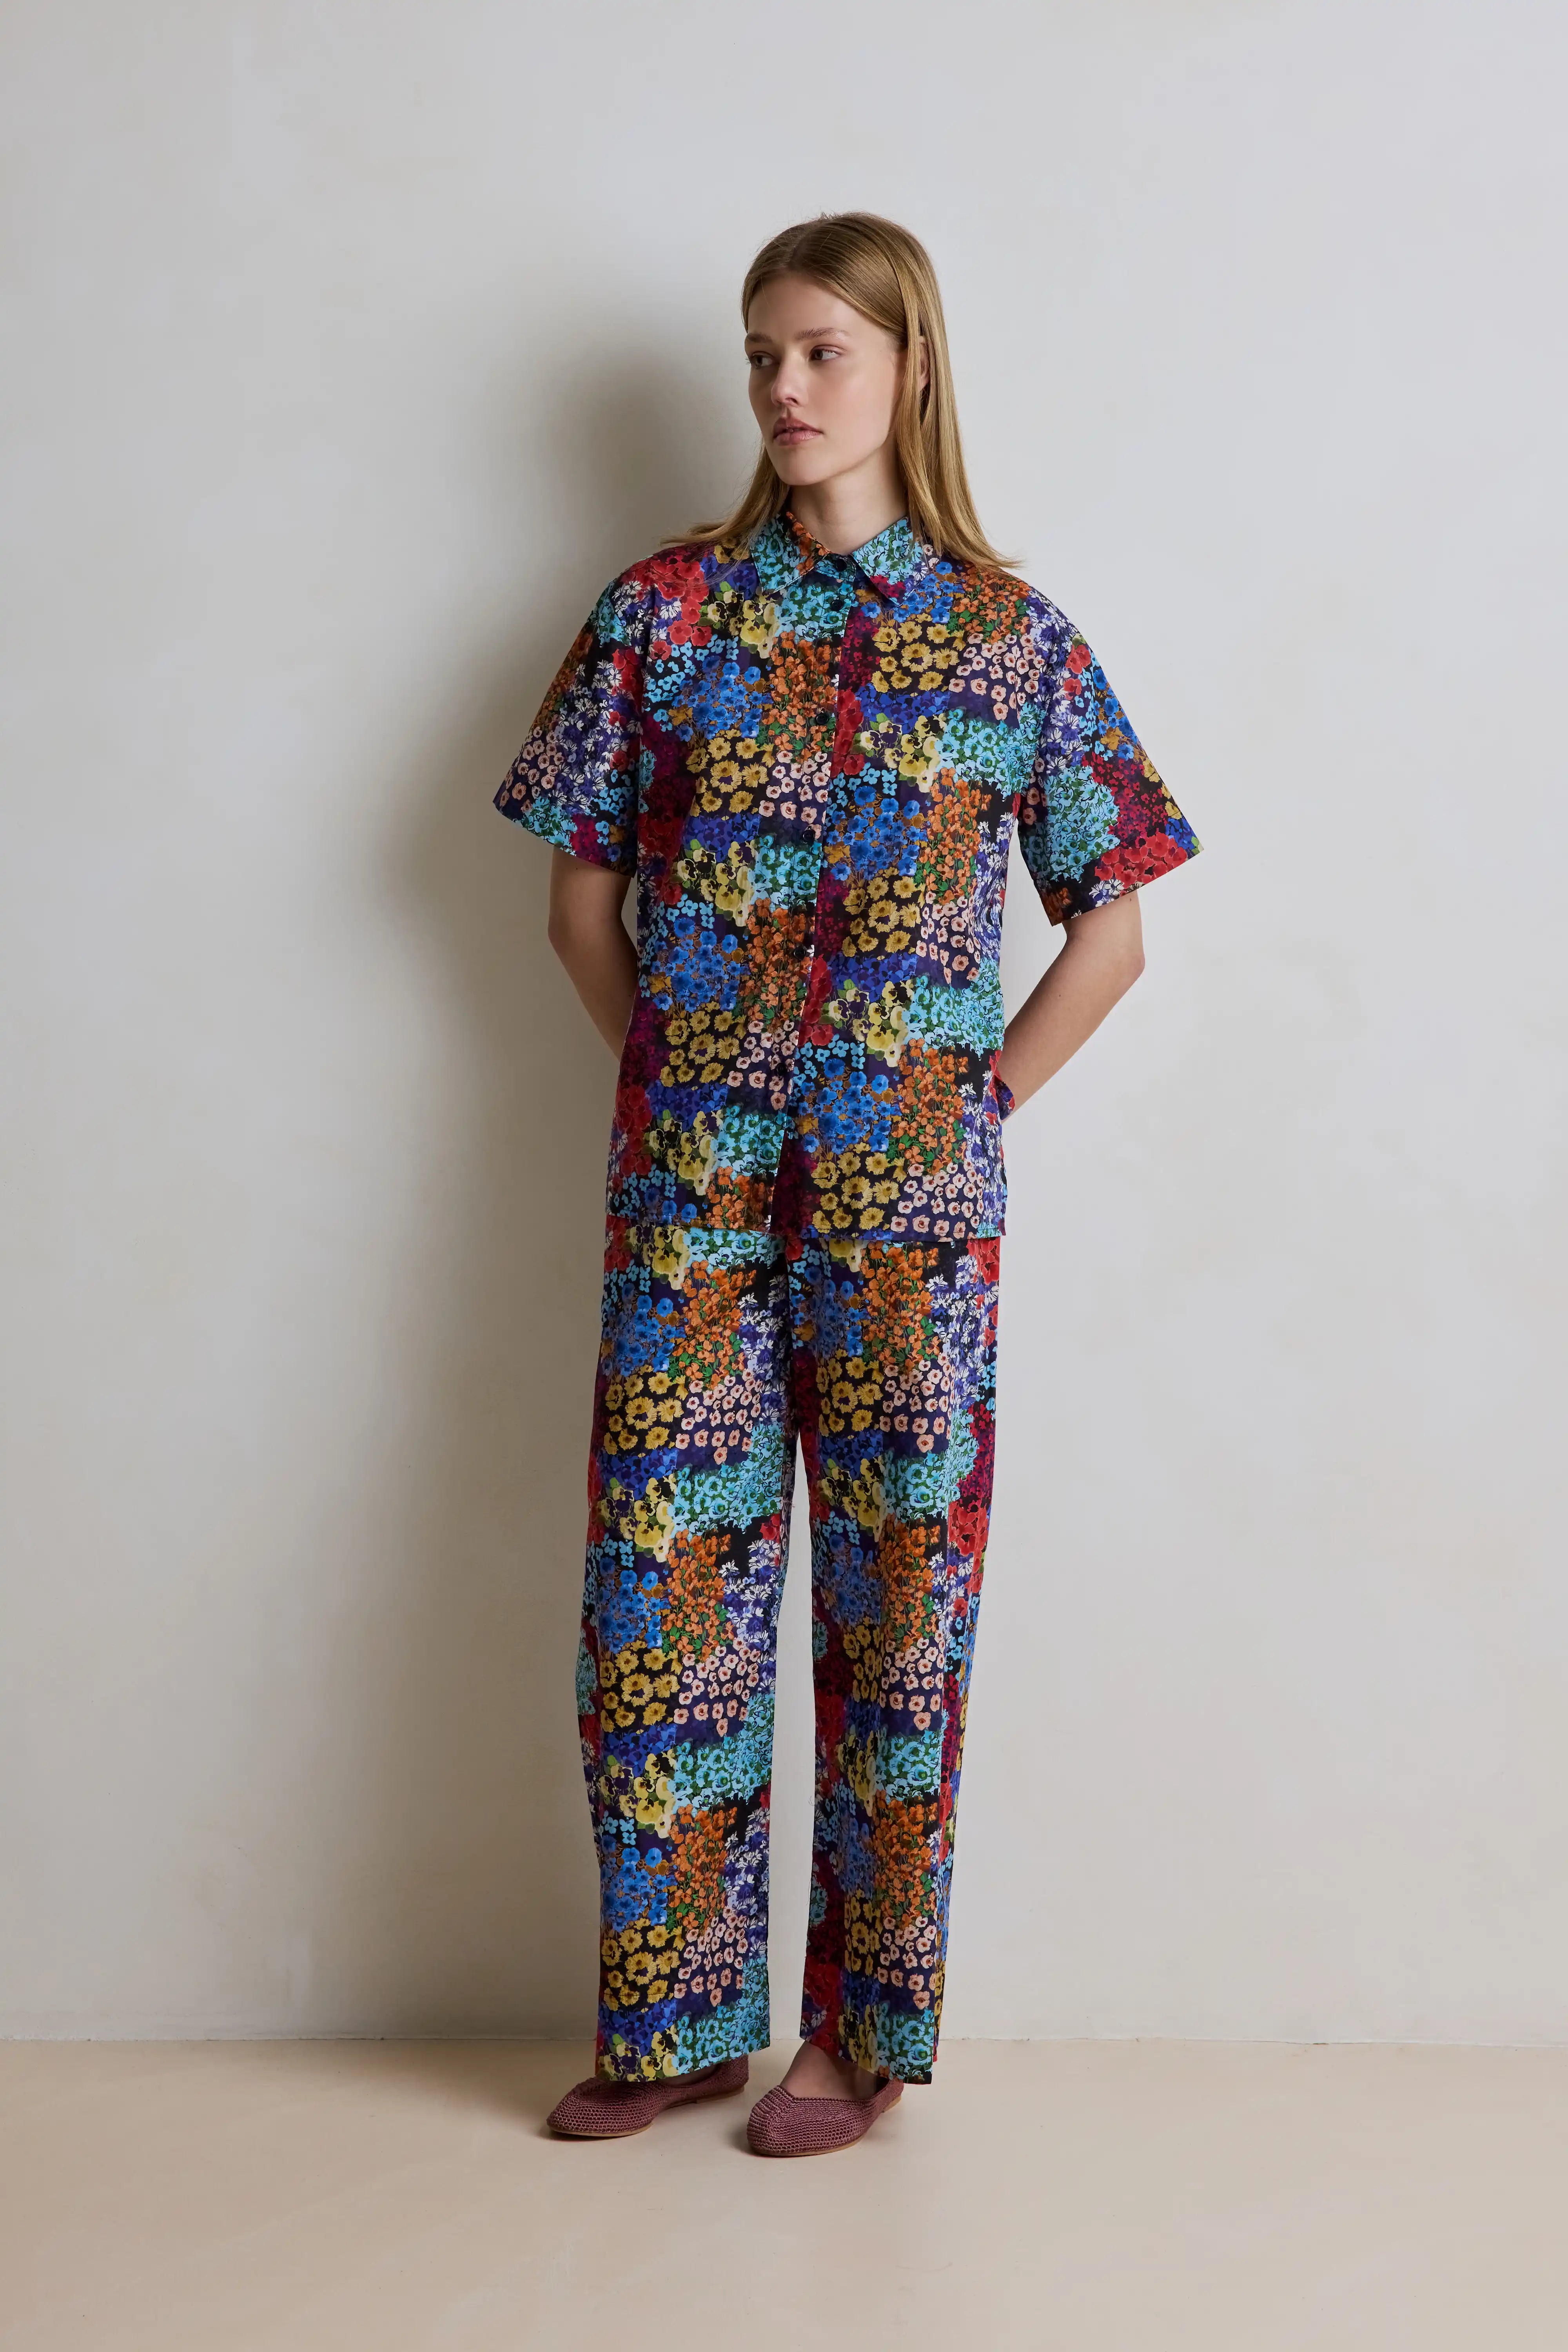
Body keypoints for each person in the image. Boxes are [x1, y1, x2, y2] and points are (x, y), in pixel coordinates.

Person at [495, 212, 1200, 2158]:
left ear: (909, 366)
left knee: (901, 1617)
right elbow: (577, 908)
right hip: (692, 1212)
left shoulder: (1007, 638)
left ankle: (862, 2037)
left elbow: (1115, 927)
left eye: (821, 351)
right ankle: (674, 2025)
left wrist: (971, 1110)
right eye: (761, 354)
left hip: (915, 1228)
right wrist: (682, 1093)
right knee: (661, 1606)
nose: (785, 389)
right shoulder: (662, 617)